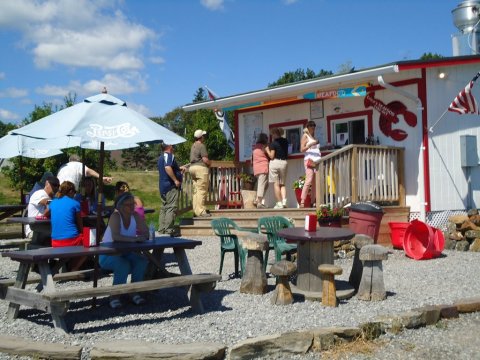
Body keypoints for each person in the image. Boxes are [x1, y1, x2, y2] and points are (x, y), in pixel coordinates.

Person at [99, 192, 149, 309]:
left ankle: (134, 291)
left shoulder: (135, 215)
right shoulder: (115, 216)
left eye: (133, 204)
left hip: (125, 252)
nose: (132, 206)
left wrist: (143, 236)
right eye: (129, 204)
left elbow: (146, 232)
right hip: (107, 254)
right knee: (123, 265)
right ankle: (114, 296)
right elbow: (116, 236)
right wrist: (135, 239)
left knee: (142, 261)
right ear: (120, 206)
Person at [49, 181, 86, 271]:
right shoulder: (75, 203)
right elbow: (80, 226)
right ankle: (74, 268)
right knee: (90, 242)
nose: (75, 194)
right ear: (70, 191)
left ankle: (70, 266)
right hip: (70, 241)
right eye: (74, 192)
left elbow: (46, 213)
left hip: (55, 241)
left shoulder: (53, 203)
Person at [158, 143, 187, 236]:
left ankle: (162, 229)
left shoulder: (161, 157)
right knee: (171, 207)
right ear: (169, 147)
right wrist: (175, 180)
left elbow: (167, 167)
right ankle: (169, 229)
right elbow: (167, 167)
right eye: (172, 144)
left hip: (163, 186)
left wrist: (178, 169)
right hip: (170, 186)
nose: (173, 146)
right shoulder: (169, 155)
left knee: (164, 207)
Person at [189, 129, 211, 217]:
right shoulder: (201, 146)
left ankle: (196, 210)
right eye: (203, 136)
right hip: (200, 169)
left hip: (192, 168)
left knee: (196, 191)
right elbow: (205, 159)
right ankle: (201, 211)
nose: (204, 137)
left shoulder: (193, 146)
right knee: (202, 190)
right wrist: (210, 164)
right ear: (201, 137)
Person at [300, 121, 321, 208]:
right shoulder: (305, 136)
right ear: (307, 127)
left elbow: (315, 149)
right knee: (308, 180)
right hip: (309, 160)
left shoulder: (313, 137)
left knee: (315, 182)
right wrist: (312, 144)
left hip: (316, 161)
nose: (313, 127)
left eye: (314, 126)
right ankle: (302, 201)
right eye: (311, 126)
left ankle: (313, 201)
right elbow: (302, 149)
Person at [266, 127, 289, 209]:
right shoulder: (285, 141)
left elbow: (271, 156)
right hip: (284, 162)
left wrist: (267, 150)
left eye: (272, 134)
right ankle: (284, 201)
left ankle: (279, 203)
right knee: (282, 184)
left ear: (275, 134)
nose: (272, 136)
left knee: (276, 184)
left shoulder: (273, 143)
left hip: (275, 163)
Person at [252, 133, 269, 208]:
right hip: (263, 167)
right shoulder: (264, 146)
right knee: (262, 185)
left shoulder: (255, 147)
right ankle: (259, 202)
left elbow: (251, 159)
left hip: (256, 168)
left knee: (263, 184)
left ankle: (256, 200)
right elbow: (270, 155)